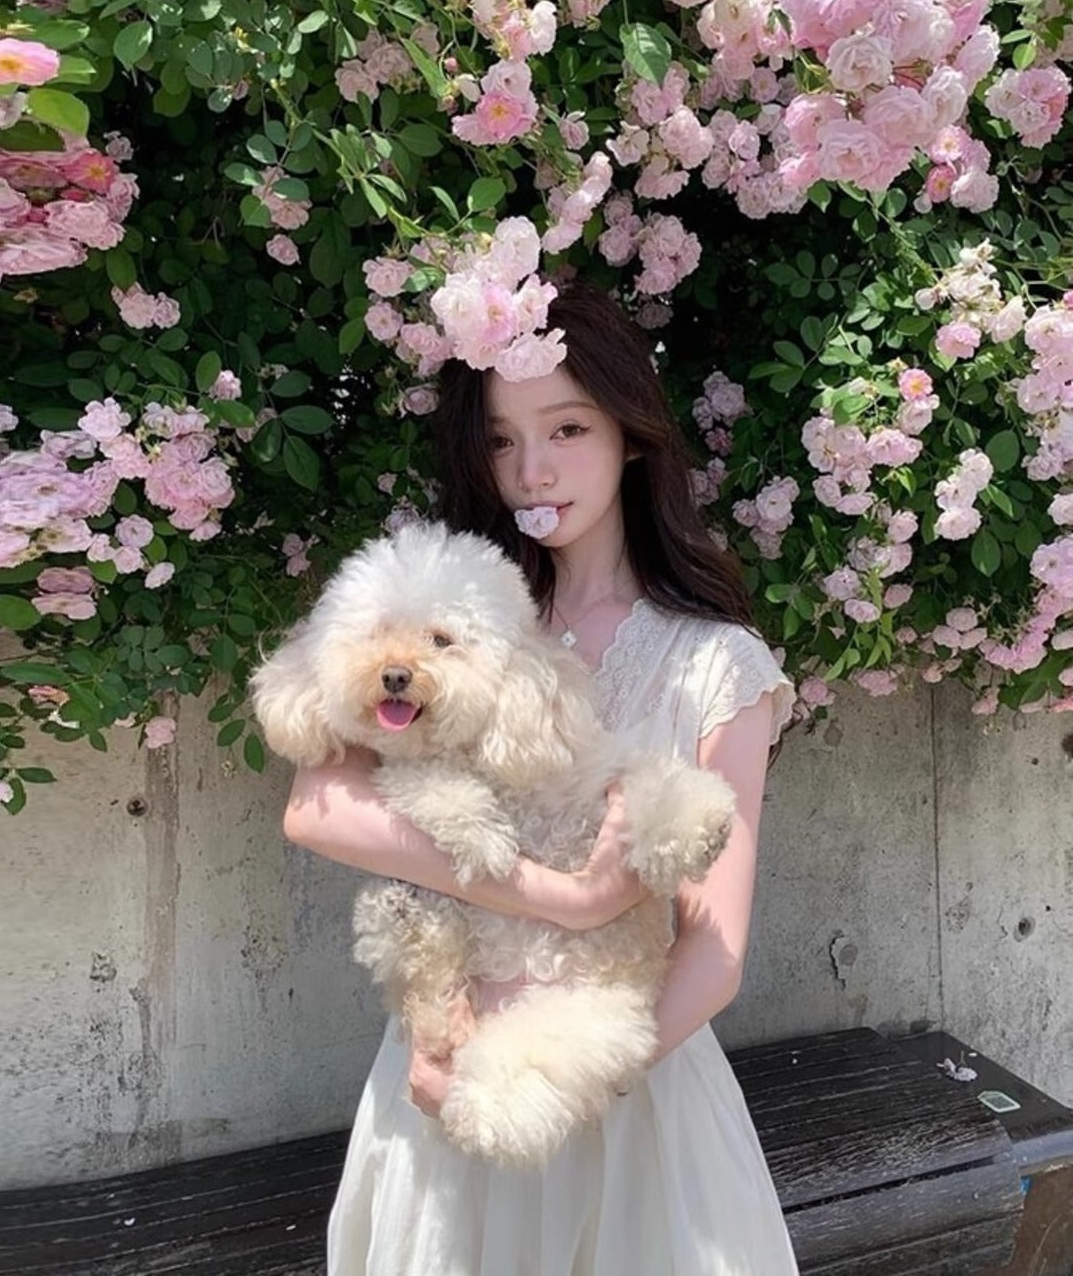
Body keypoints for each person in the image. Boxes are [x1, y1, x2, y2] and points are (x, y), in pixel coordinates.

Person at [282, 282, 800, 1275]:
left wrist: (541, 1090)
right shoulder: (442, 607)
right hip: (438, 1057)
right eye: (501, 440)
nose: (532, 470)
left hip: (619, 1090)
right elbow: (316, 808)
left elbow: (715, 950)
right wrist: (566, 898)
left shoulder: (715, 664)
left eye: (567, 428)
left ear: (631, 434)